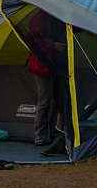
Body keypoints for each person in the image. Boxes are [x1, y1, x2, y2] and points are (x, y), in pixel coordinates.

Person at [25, 11, 67, 147]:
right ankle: (40, 136)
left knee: (55, 101)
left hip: (54, 65)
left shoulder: (55, 16)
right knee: (44, 101)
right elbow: (34, 41)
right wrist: (54, 45)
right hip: (41, 66)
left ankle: (51, 133)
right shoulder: (39, 18)